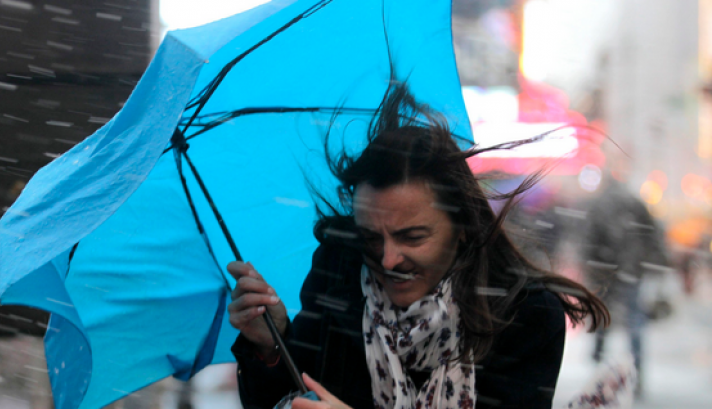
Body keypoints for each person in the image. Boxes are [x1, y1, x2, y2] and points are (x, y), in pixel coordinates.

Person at [228, 84, 609, 409]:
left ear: (461, 226)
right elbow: (290, 395)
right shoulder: (338, 274)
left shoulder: (523, 314)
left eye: (412, 237)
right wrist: (271, 348)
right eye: (372, 237)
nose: (388, 258)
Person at [580, 161, 669, 397]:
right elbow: (653, 233)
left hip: (606, 271)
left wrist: (591, 267)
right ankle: (637, 375)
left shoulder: (599, 204)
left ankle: (597, 362)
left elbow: (589, 239)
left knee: (603, 315)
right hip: (631, 272)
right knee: (635, 323)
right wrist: (655, 263)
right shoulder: (635, 202)